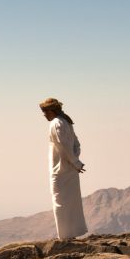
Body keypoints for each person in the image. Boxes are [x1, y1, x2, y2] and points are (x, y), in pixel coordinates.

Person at [40, 97, 88, 239]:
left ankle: (65, 237)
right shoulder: (65, 122)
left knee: (60, 201)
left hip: (60, 169)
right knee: (71, 201)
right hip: (69, 168)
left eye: (46, 112)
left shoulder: (56, 123)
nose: (44, 115)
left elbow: (65, 147)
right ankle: (71, 234)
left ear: (52, 110)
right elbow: (76, 144)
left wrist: (75, 163)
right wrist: (75, 161)